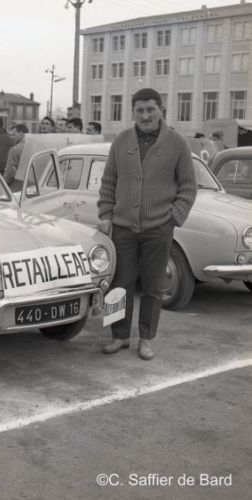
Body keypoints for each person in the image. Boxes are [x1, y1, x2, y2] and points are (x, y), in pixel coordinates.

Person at [97, 88, 197, 361]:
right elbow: (108, 182)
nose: (145, 115)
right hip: (122, 228)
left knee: (153, 286)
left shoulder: (177, 143)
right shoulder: (121, 141)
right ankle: (118, 336)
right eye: (139, 110)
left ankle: (146, 338)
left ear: (161, 110)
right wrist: (106, 215)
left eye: (150, 109)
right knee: (119, 284)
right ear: (133, 112)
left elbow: (189, 187)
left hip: (158, 229)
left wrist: (172, 218)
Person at [4, 123, 28, 190]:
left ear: (21, 133)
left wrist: (5, 184)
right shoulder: (35, 147)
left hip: (18, 187)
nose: (12, 138)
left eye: (14, 135)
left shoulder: (14, 150)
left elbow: (9, 172)